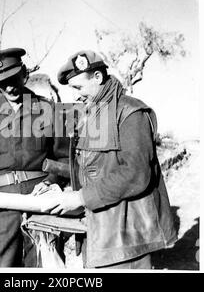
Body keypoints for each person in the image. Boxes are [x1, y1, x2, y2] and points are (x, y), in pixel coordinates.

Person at [43, 50, 177, 269]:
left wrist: (81, 197)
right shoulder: (87, 116)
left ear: (97, 77)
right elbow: (90, 170)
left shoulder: (130, 113)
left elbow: (136, 173)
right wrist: (55, 187)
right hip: (96, 233)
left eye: (78, 87)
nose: (76, 96)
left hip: (127, 240)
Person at [0, 48, 69, 267]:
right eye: (2, 82)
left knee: (44, 269)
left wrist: (50, 182)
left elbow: (65, 160)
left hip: (41, 204)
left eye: (13, 78)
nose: (9, 87)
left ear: (24, 73)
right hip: (1, 206)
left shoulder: (48, 109)